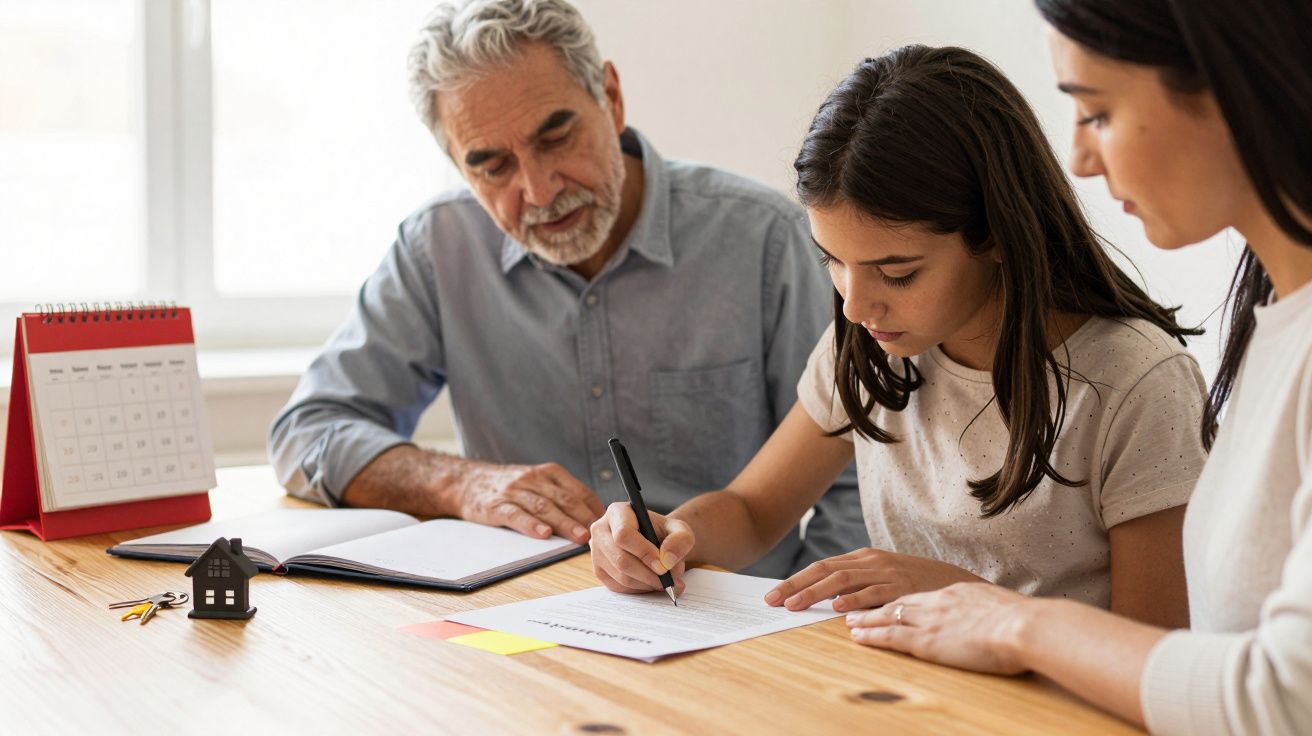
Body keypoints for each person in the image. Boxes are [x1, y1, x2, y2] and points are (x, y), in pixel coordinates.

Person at [589, 44, 1208, 627]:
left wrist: (955, 599)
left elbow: (1149, 657)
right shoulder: (870, 348)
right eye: (831, 260)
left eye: (897, 272)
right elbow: (752, 512)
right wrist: (669, 536)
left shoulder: (1136, 384)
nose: (855, 305)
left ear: (994, 233)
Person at [266, 0, 865, 577]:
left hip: (733, 619)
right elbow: (309, 430)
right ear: (455, 161)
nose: (540, 190)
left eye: (555, 138)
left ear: (610, 96)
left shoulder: (764, 239)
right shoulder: (437, 249)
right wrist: (463, 483)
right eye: (492, 165)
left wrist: (804, 632)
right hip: (521, 621)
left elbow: (859, 470)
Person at [840, 2, 1312, 733]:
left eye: (1096, 113)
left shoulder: (1145, 372)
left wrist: (1012, 624)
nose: (1081, 158)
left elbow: (1282, 698)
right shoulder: (1276, 327)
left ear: (1226, 86)